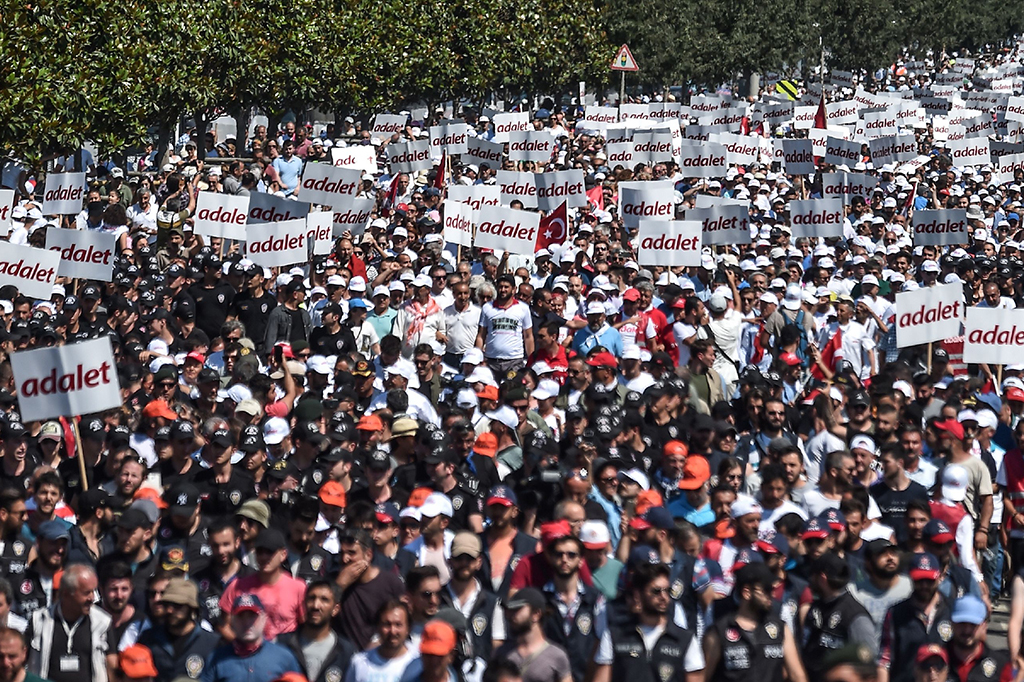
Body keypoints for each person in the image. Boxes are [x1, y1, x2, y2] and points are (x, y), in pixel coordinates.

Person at [702, 562, 806, 682]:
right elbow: (702, 677)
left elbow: (798, 676)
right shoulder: (719, 631)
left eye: (772, 589)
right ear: (746, 592)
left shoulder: (780, 628)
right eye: (766, 589)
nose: (772, 594)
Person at [25, 563, 113, 682]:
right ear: (66, 594)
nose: (92, 598)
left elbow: (112, 665)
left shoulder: (102, 622)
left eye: (93, 592)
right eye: (86, 593)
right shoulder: (39, 620)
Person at [202, 594, 302, 682]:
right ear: (232, 621)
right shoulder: (217, 658)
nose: (247, 623)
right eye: (241, 617)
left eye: (252, 616)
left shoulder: (284, 657)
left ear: (264, 619)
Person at [137, 577, 220, 682]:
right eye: (166, 604)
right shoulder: (148, 639)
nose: (170, 610)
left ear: (192, 608)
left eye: (177, 606)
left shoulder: (212, 643)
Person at [277, 581, 356, 682]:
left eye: (324, 600)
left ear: (335, 609)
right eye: (311, 598)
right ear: (303, 604)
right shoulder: (283, 645)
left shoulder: (346, 652)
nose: (316, 606)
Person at [493, 588, 572, 682]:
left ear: (536, 614)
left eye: (516, 609)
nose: (510, 615)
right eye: (509, 610)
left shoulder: (557, 656)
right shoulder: (502, 654)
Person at [343, 601, 418, 682]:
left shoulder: (418, 662)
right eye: (387, 624)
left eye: (398, 625)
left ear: (408, 628)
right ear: (378, 627)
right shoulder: (359, 662)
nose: (392, 631)